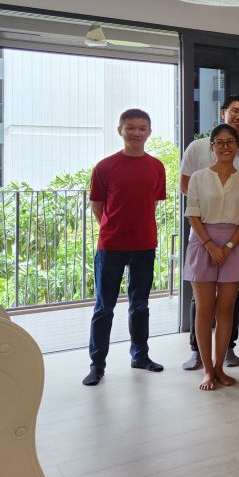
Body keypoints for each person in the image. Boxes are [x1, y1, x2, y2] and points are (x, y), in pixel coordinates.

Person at [83, 108, 167, 386]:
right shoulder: (104, 167)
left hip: (145, 244)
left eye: (142, 128)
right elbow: (97, 206)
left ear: (149, 132)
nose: (136, 133)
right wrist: (112, 228)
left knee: (140, 305)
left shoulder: (156, 166)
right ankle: (97, 364)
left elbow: (151, 203)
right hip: (111, 246)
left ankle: (140, 356)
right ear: (119, 130)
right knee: (104, 307)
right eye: (130, 127)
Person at [179, 95, 239, 371]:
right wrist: (210, 243)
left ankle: (223, 358)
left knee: (227, 307)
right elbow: (190, 202)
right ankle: (200, 356)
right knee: (202, 305)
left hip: (235, 241)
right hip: (203, 238)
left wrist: (229, 245)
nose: (225, 147)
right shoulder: (197, 158)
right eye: (235, 110)